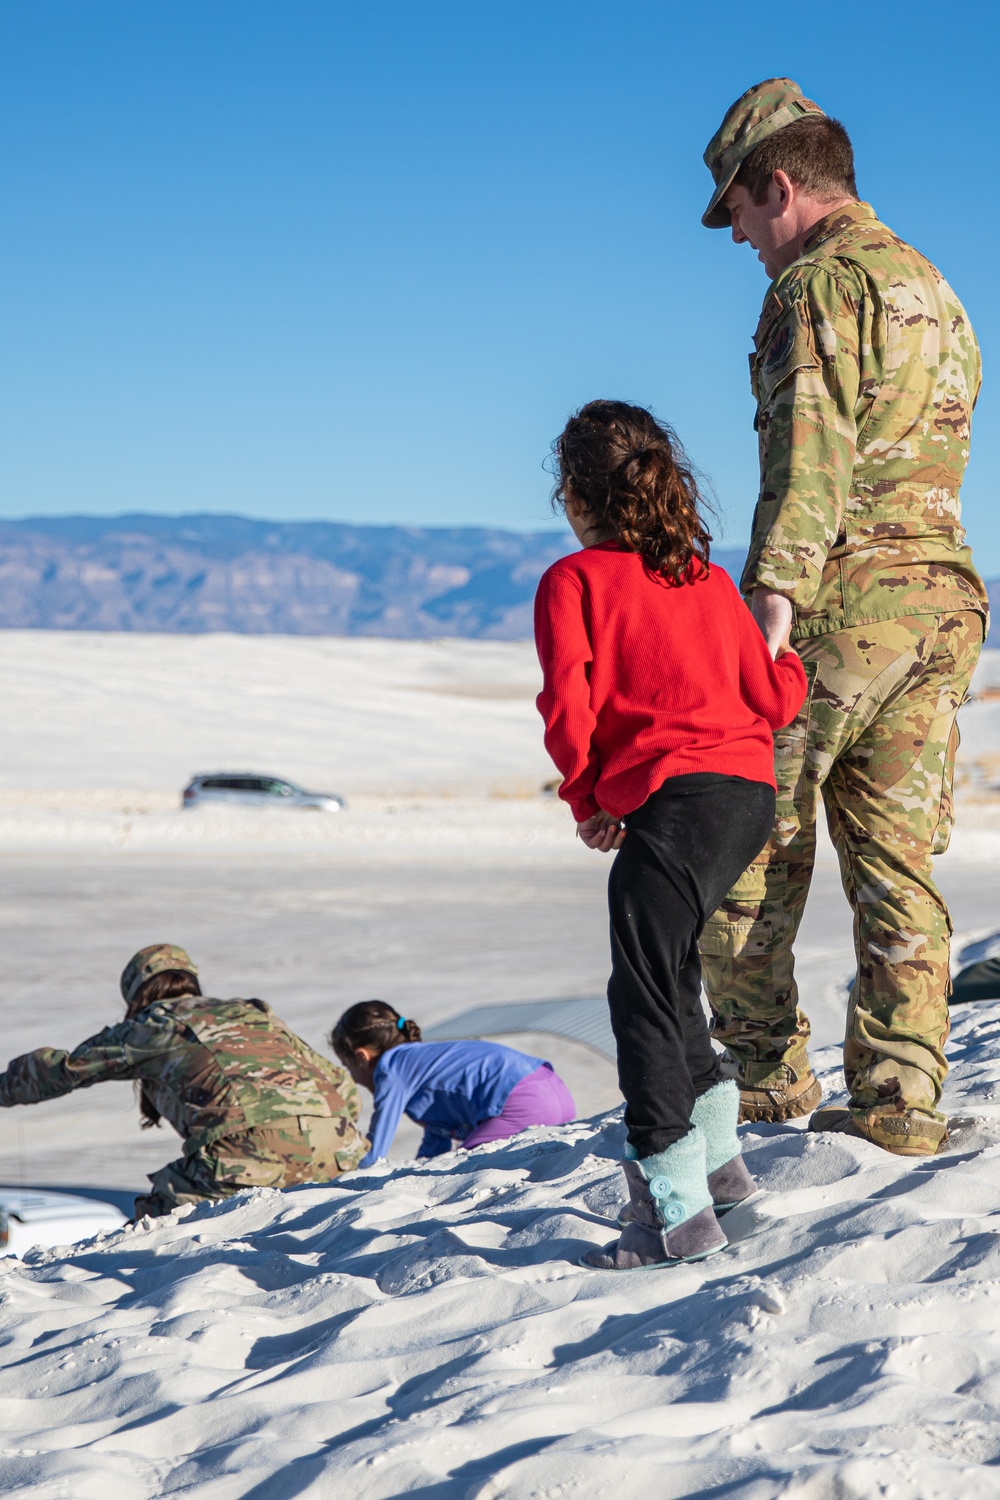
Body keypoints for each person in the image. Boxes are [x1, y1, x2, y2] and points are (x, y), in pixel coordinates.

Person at [697, 79, 987, 1155]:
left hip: (837, 604)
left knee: (742, 848)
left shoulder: (815, 286)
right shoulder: (935, 288)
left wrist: (770, 600)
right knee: (896, 863)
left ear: (779, 184)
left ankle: (768, 1088)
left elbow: (808, 449)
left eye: (737, 211)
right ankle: (902, 1102)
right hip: (942, 602)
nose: (738, 239)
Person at [535, 400, 807, 1270]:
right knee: (674, 972)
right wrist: (781, 645)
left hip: (675, 803)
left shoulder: (573, 583)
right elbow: (772, 703)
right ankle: (724, 1175)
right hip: (744, 798)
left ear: (575, 495)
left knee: (641, 999)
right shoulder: (704, 580)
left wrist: (587, 799)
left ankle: (672, 1219)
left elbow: (567, 709)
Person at [0, 944, 368, 1218]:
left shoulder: (153, 1026)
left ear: (137, 993)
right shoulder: (253, 1014)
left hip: (250, 1155)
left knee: (159, 1224)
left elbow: (62, 1070)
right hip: (341, 1150)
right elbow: (338, 1082)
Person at [330, 1001, 576, 1166]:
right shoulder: (423, 1061)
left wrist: (349, 1181)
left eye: (347, 1066)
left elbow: (376, 1152)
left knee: (464, 1167)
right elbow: (435, 1144)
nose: (351, 1076)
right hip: (557, 1093)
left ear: (362, 1058)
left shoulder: (392, 1067)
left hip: (522, 1101)